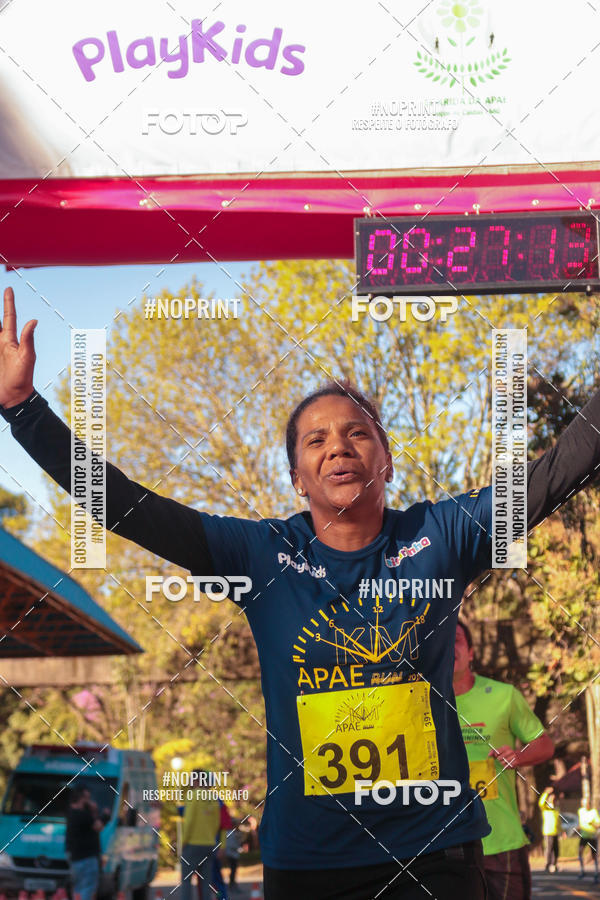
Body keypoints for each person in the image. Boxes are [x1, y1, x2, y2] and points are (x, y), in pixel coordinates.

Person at [3, 286, 600, 899]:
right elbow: (127, 506)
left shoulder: (442, 537)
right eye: (314, 440)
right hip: (309, 865)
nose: (337, 446)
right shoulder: (257, 554)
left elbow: (562, 468)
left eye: (356, 434)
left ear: (386, 459)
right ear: (295, 477)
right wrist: (23, 410)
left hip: (434, 855)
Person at [454, 619, 554, 900]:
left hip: (500, 842)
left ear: (472, 652)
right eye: (443, 640)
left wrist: (519, 756)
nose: (449, 647)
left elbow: (545, 745)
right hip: (445, 844)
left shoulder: (504, 696)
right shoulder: (422, 699)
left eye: (457, 639)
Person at [180, 770, 224, 900]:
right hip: (209, 844)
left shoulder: (193, 795)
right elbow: (217, 824)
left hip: (193, 844)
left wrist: (184, 842)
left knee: (186, 881)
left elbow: (189, 822)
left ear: (197, 780)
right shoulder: (214, 798)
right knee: (206, 882)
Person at [65, 785, 109, 900]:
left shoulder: (70, 813)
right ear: (82, 799)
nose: (90, 801)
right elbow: (98, 826)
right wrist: (105, 816)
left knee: (78, 888)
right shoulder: (82, 815)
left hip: (75, 858)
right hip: (87, 858)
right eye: (88, 798)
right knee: (88, 889)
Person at [577, 796, 600, 882]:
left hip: (592, 836)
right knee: (580, 852)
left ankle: (596, 872)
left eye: (586, 803)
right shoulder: (580, 811)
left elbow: (598, 824)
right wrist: (577, 828)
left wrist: (593, 823)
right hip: (583, 836)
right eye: (583, 803)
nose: (585, 805)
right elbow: (581, 823)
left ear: (589, 803)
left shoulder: (593, 812)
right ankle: (582, 870)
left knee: (594, 855)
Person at [539, 787, 560, 873]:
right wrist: (546, 793)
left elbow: (559, 822)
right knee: (549, 849)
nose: (553, 800)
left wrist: (562, 831)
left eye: (554, 799)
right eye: (552, 798)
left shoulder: (556, 810)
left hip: (555, 832)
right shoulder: (545, 808)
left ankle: (554, 864)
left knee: (556, 849)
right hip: (548, 832)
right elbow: (541, 803)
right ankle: (547, 865)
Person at [225, 822, 243, 891]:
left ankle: (232, 884)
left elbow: (239, 843)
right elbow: (231, 845)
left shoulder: (236, 833)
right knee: (233, 870)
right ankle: (232, 885)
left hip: (234, 855)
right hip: (231, 854)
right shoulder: (230, 833)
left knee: (234, 870)